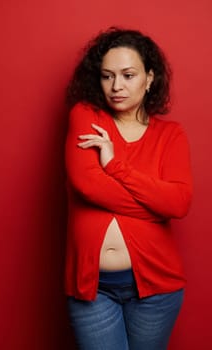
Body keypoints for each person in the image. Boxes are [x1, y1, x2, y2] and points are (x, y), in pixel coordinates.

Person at [64, 27, 193, 350]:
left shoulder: (171, 135)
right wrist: (155, 207)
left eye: (128, 75)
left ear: (149, 78)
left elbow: (178, 203)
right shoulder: (87, 116)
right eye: (107, 76)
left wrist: (114, 166)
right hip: (93, 288)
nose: (116, 86)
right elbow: (89, 186)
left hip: (157, 289)